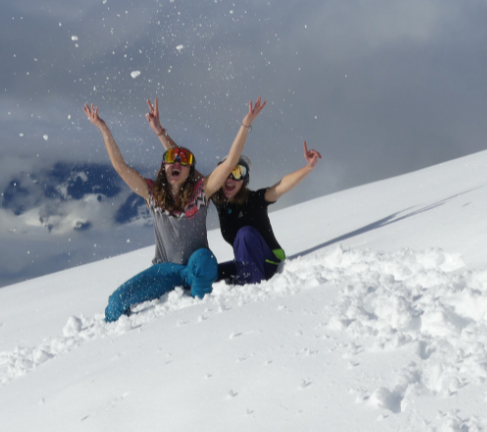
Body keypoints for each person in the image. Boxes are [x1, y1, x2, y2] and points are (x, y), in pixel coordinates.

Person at [83, 97, 266, 322]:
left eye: (183, 161)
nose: (176, 163)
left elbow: (229, 165)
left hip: (195, 267)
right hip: (164, 270)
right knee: (116, 302)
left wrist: (245, 124)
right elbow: (120, 166)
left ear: (191, 172)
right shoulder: (151, 194)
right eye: (171, 159)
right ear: (164, 167)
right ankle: (113, 338)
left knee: (204, 259)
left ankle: (201, 317)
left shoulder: (201, 193)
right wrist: (103, 127)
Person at [145, 98, 322, 285]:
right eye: (227, 173)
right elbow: (183, 163)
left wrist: (308, 168)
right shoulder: (216, 199)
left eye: (238, 173)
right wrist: (160, 132)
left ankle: (248, 282)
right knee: (208, 273)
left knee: (245, 233)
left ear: (244, 180)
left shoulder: (255, 199)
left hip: (270, 262)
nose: (230, 178)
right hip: (245, 264)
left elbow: (282, 185)